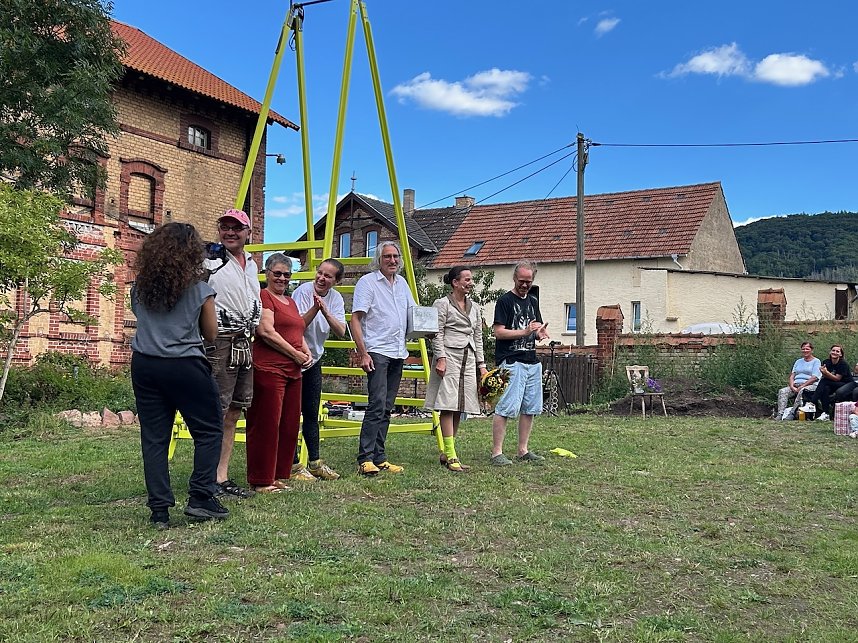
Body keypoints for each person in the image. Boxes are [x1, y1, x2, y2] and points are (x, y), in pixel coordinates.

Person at [130, 222, 228, 528]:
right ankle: (200, 498)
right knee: (210, 430)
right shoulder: (200, 290)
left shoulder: (139, 289)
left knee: (154, 438)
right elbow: (210, 334)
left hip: (145, 364)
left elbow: (145, 320)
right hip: (185, 365)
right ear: (190, 253)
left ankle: (159, 510)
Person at [205, 208, 262, 499]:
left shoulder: (251, 264)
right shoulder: (210, 259)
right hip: (221, 340)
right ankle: (207, 478)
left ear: (247, 232)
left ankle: (221, 475)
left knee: (235, 409)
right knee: (217, 407)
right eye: (224, 227)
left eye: (236, 228)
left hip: (245, 339)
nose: (230, 232)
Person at [245, 254, 312, 492]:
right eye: (277, 273)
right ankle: (260, 479)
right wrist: (294, 354)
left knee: (288, 424)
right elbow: (266, 331)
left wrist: (306, 351)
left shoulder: (291, 301)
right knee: (266, 424)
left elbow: (297, 330)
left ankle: (276, 474)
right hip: (269, 368)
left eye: (287, 274)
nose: (282, 278)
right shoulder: (264, 297)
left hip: (294, 371)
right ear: (266, 274)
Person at [350, 240, 416, 476]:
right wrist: (363, 352)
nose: (392, 261)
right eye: (387, 256)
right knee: (376, 404)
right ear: (379, 259)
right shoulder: (367, 283)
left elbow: (413, 314)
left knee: (387, 407)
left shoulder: (402, 284)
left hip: (398, 351)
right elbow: (355, 319)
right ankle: (365, 458)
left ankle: (380, 457)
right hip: (377, 351)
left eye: (396, 257)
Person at [424, 266, 488, 473]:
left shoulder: (475, 307)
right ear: (455, 282)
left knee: (461, 405)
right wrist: (440, 358)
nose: (470, 282)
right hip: (449, 356)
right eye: (467, 279)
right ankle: (450, 454)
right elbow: (437, 333)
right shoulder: (442, 304)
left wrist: (482, 366)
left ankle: (447, 452)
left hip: (468, 358)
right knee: (448, 404)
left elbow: (477, 337)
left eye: (471, 279)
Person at [290, 258, 347, 481]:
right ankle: (294, 464)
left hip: (314, 360)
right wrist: (315, 307)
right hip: (295, 358)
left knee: (311, 412)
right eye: (320, 273)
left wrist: (325, 311)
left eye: (328, 276)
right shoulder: (303, 292)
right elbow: (298, 326)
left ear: (336, 281)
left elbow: (341, 331)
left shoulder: (336, 298)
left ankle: (315, 462)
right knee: (292, 414)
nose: (321, 278)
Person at [490, 261, 549, 466]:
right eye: (521, 281)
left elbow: (536, 328)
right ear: (514, 278)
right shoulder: (505, 301)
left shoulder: (533, 301)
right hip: (511, 361)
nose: (525, 285)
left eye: (529, 282)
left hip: (532, 361)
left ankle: (523, 450)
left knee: (530, 408)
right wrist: (524, 332)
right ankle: (497, 452)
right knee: (506, 406)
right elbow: (498, 332)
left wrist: (539, 333)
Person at [776, 341, 821, 420]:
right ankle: (780, 414)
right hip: (796, 385)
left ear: (812, 350)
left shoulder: (816, 361)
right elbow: (792, 375)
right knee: (783, 391)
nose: (805, 351)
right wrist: (792, 386)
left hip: (810, 385)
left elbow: (815, 377)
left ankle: (793, 413)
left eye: (807, 349)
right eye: (803, 349)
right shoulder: (798, 361)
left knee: (802, 391)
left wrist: (802, 386)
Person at [809, 344, 850, 421]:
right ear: (830, 352)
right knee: (825, 388)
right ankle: (826, 413)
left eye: (837, 351)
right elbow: (826, 376)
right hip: (831, 383)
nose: (834, 352)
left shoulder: (843, 364)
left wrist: (826, 373)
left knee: (824, 381)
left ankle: (812, 402)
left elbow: (837, 379)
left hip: (845, 384)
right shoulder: (826, 362)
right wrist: (823, 372)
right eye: (833, 350)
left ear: (840, 354)